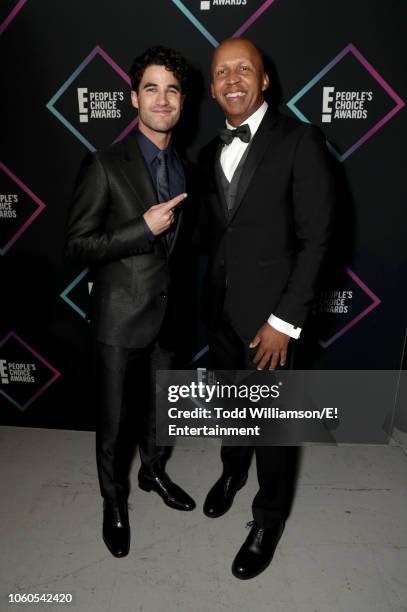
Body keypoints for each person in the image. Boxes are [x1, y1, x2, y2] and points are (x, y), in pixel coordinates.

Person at [198, 37, 335, 579]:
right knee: (235, 409)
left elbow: (318, 239)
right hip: (222, 315)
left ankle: (268, 517)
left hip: (274, 321)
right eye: (222, 72)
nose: (232, 79)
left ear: (264, 80)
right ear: (212, 88)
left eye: (244, 69)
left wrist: (285, 321)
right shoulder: (208, 154)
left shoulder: (300, 139)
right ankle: (232, 471)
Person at [65, 45, 196, 558]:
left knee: (162, 414)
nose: (162, 99)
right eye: (151, 88)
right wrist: (140, 228)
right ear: (133, 98)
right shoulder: (103, 163)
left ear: (182, 101)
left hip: (170, 316)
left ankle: (153, 475)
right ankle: (113, 500)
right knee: (115, 422)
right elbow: (77, 245)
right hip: (119, 319)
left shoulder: (187, 168)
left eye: (172, 89)